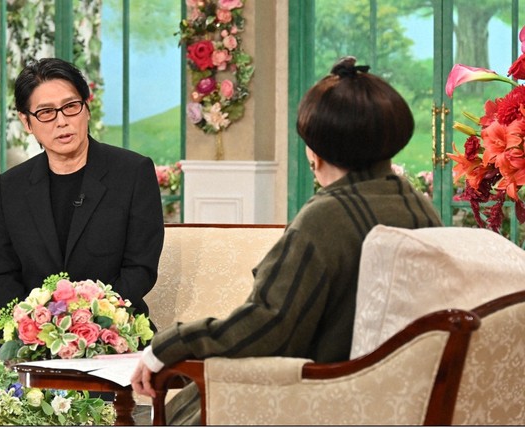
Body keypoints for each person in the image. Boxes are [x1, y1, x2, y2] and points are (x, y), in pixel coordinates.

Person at [130, 56, 443, 424]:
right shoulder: (419, 208)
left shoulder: (327, 218)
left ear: (314, 151)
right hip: (390, 399)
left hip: (314, 399)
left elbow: (266, 326)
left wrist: (169, 344)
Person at [0, 58, 165, 362]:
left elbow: (140, 269)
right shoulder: (12, 186)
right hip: (37, 331)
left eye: (70, 107)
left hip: (112, 326)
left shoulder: (132, 172)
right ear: (27, 122)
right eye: (46, 112)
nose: (61, 121)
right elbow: (3, 273)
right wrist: (33, 323)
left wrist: (89, 321)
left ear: (87, 108)